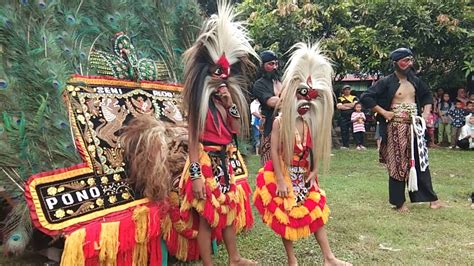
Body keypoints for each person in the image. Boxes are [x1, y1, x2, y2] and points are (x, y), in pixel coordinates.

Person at [253, 43, 351, 266]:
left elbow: (313, 149)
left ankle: (329, 257)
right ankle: (291, 260)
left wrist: (315, 169)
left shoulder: (310, 123)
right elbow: (275, 153)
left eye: (313, 97)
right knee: (285, 217)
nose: (308, 101)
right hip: (285, 174)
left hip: (305, 174)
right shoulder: (279, 122)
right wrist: (279, 179)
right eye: (303, 95)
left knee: (316, 214)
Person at [179, 2, 258, 264]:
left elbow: (236, 130)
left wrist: (230, 105)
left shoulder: (225, 103)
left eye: (225, 77)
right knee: (205, 216)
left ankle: (234, 258)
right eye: (216, 75)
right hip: (205, 161)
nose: (221, 81)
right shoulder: (197, 106)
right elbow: (192, 143)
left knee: (227, 211)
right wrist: (196, 177)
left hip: (225, 161)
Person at [360, 47, 442, 212]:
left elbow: (427, 96)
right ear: (396, 63)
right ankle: (399, 203)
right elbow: (366, 97)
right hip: (395, 128)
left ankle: (432, 199)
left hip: (414, 127)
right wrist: (384, 112)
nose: (408, 64)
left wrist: (426, 113)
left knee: (420, 161)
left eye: (410, 60)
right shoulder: (386, 82)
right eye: (405, 61)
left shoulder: (415, 81)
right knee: (397, 164)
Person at [252, 50, 282, 164]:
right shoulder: (259, 84)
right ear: (262, 66)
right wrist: (288, 97)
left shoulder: (281, 81)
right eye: (270, 64)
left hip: (287, 127)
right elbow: (272, 102)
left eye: (276, 63)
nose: (274, 67)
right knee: (269, 164)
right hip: (269, 127)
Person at [336, 85, 358, 149]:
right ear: (343, 91)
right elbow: (339, 107)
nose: (347, 91)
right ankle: (345, 145)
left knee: (355, 130)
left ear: (350, 90)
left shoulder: (354, 97)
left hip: (353, 116)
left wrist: (345, 105)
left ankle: (357, 144)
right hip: (343, 117)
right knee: (344, 131)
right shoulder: (340, 98)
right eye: (345, 89)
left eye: (348, 89)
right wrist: (350, 106)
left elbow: (355, 105)